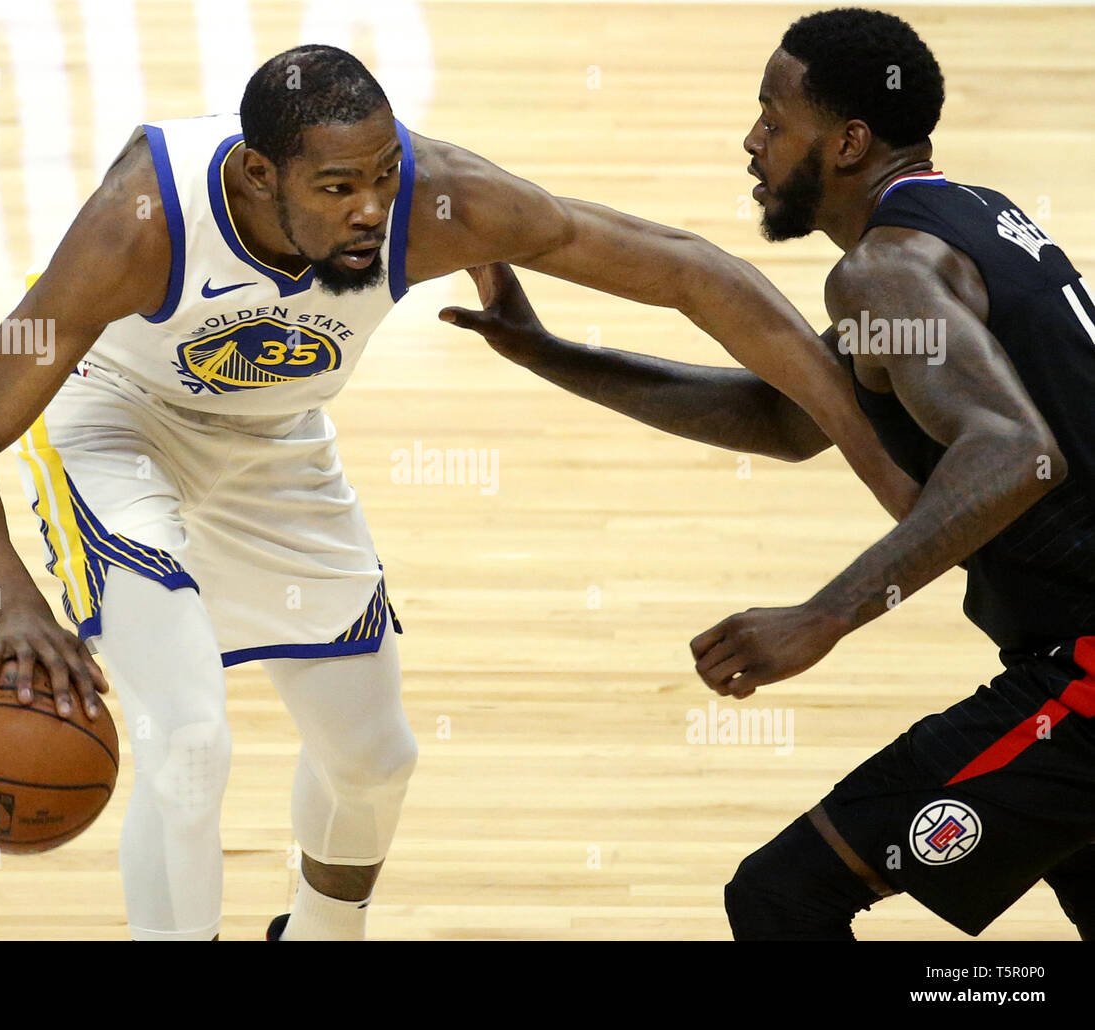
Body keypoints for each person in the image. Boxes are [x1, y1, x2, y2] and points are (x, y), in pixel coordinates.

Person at [0, 43, 910, 941]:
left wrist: (879, 464)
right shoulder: (140, 224)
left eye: (385, 176)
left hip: (273, 441)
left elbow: (694, 275)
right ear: (258, 175)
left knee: (374, 758)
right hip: (119, 424)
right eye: (339, 185)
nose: (372, 208)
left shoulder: (443, 201)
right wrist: (14, 605)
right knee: (189, 742)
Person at [441, 9, 1095, 940]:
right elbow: (789, 415)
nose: (752, 141)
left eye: (772, 118)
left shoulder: (886, 270)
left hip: (1081, 683)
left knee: (786, 898)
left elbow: (1016, 452)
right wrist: (549, 353)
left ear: (849, 142)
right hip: (1064, 667)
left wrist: (821, 617)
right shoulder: (965, 222)